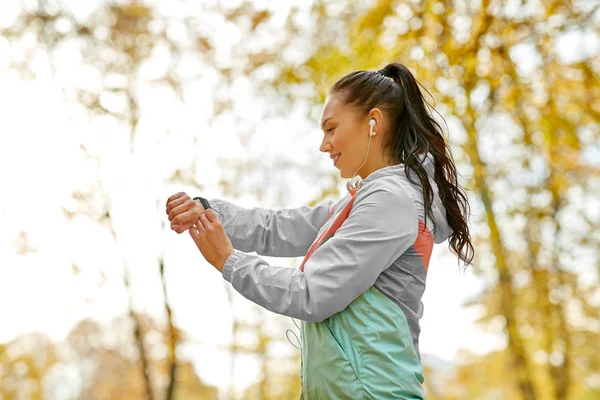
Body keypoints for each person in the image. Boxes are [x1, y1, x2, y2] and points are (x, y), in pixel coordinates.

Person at [165, 62, 474, 399]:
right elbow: (276, 228)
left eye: (331, 128)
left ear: (374, 123)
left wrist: (228, 260)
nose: (323, 145)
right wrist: (208, 211)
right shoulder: (358, 204)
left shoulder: (391, 201)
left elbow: (312, 294)